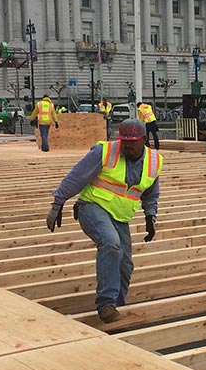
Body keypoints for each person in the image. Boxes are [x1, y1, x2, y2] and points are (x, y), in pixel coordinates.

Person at [46, 118, 162, 324]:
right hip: (92, 207)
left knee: (125, 265)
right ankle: (106, 304)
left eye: (132, 142)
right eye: (124, 141)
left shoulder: (154, 161)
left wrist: (150, 215)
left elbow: (151, 194)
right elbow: (76, 177)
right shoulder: (105, 152)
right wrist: (58, 203)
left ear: (144, 140)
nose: (127, 145)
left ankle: (118, 306)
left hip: (120, 216)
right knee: (110, 243)